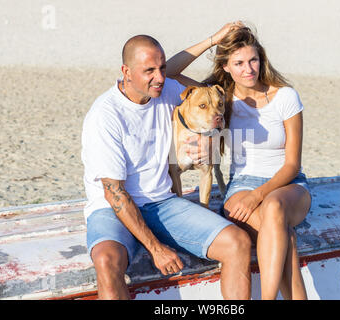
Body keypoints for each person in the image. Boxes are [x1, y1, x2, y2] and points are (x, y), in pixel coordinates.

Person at [81, 35, 252, 300]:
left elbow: (203, 95)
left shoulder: (167, 91)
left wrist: (214, 39)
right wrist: (155, 247)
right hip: (114, 208)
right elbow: (114, 193)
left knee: (237, 243)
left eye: (162, 68)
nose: (160, 77)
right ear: (126, 72)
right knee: (106, 260)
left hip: (162, 203)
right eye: (149, 70)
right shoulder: (105, 115)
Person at [166, 22, 312, 300]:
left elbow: (292, 164)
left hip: (288, 185)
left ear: (262, 59)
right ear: (226, 67)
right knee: (285, 237)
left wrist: (257, 196)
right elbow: (170, 71)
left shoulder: (286, 97)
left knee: (274, 207)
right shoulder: (221, 98)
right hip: (241, 185)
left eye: (253, 60)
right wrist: (212, 39)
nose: (248, 69)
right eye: (239, 63)